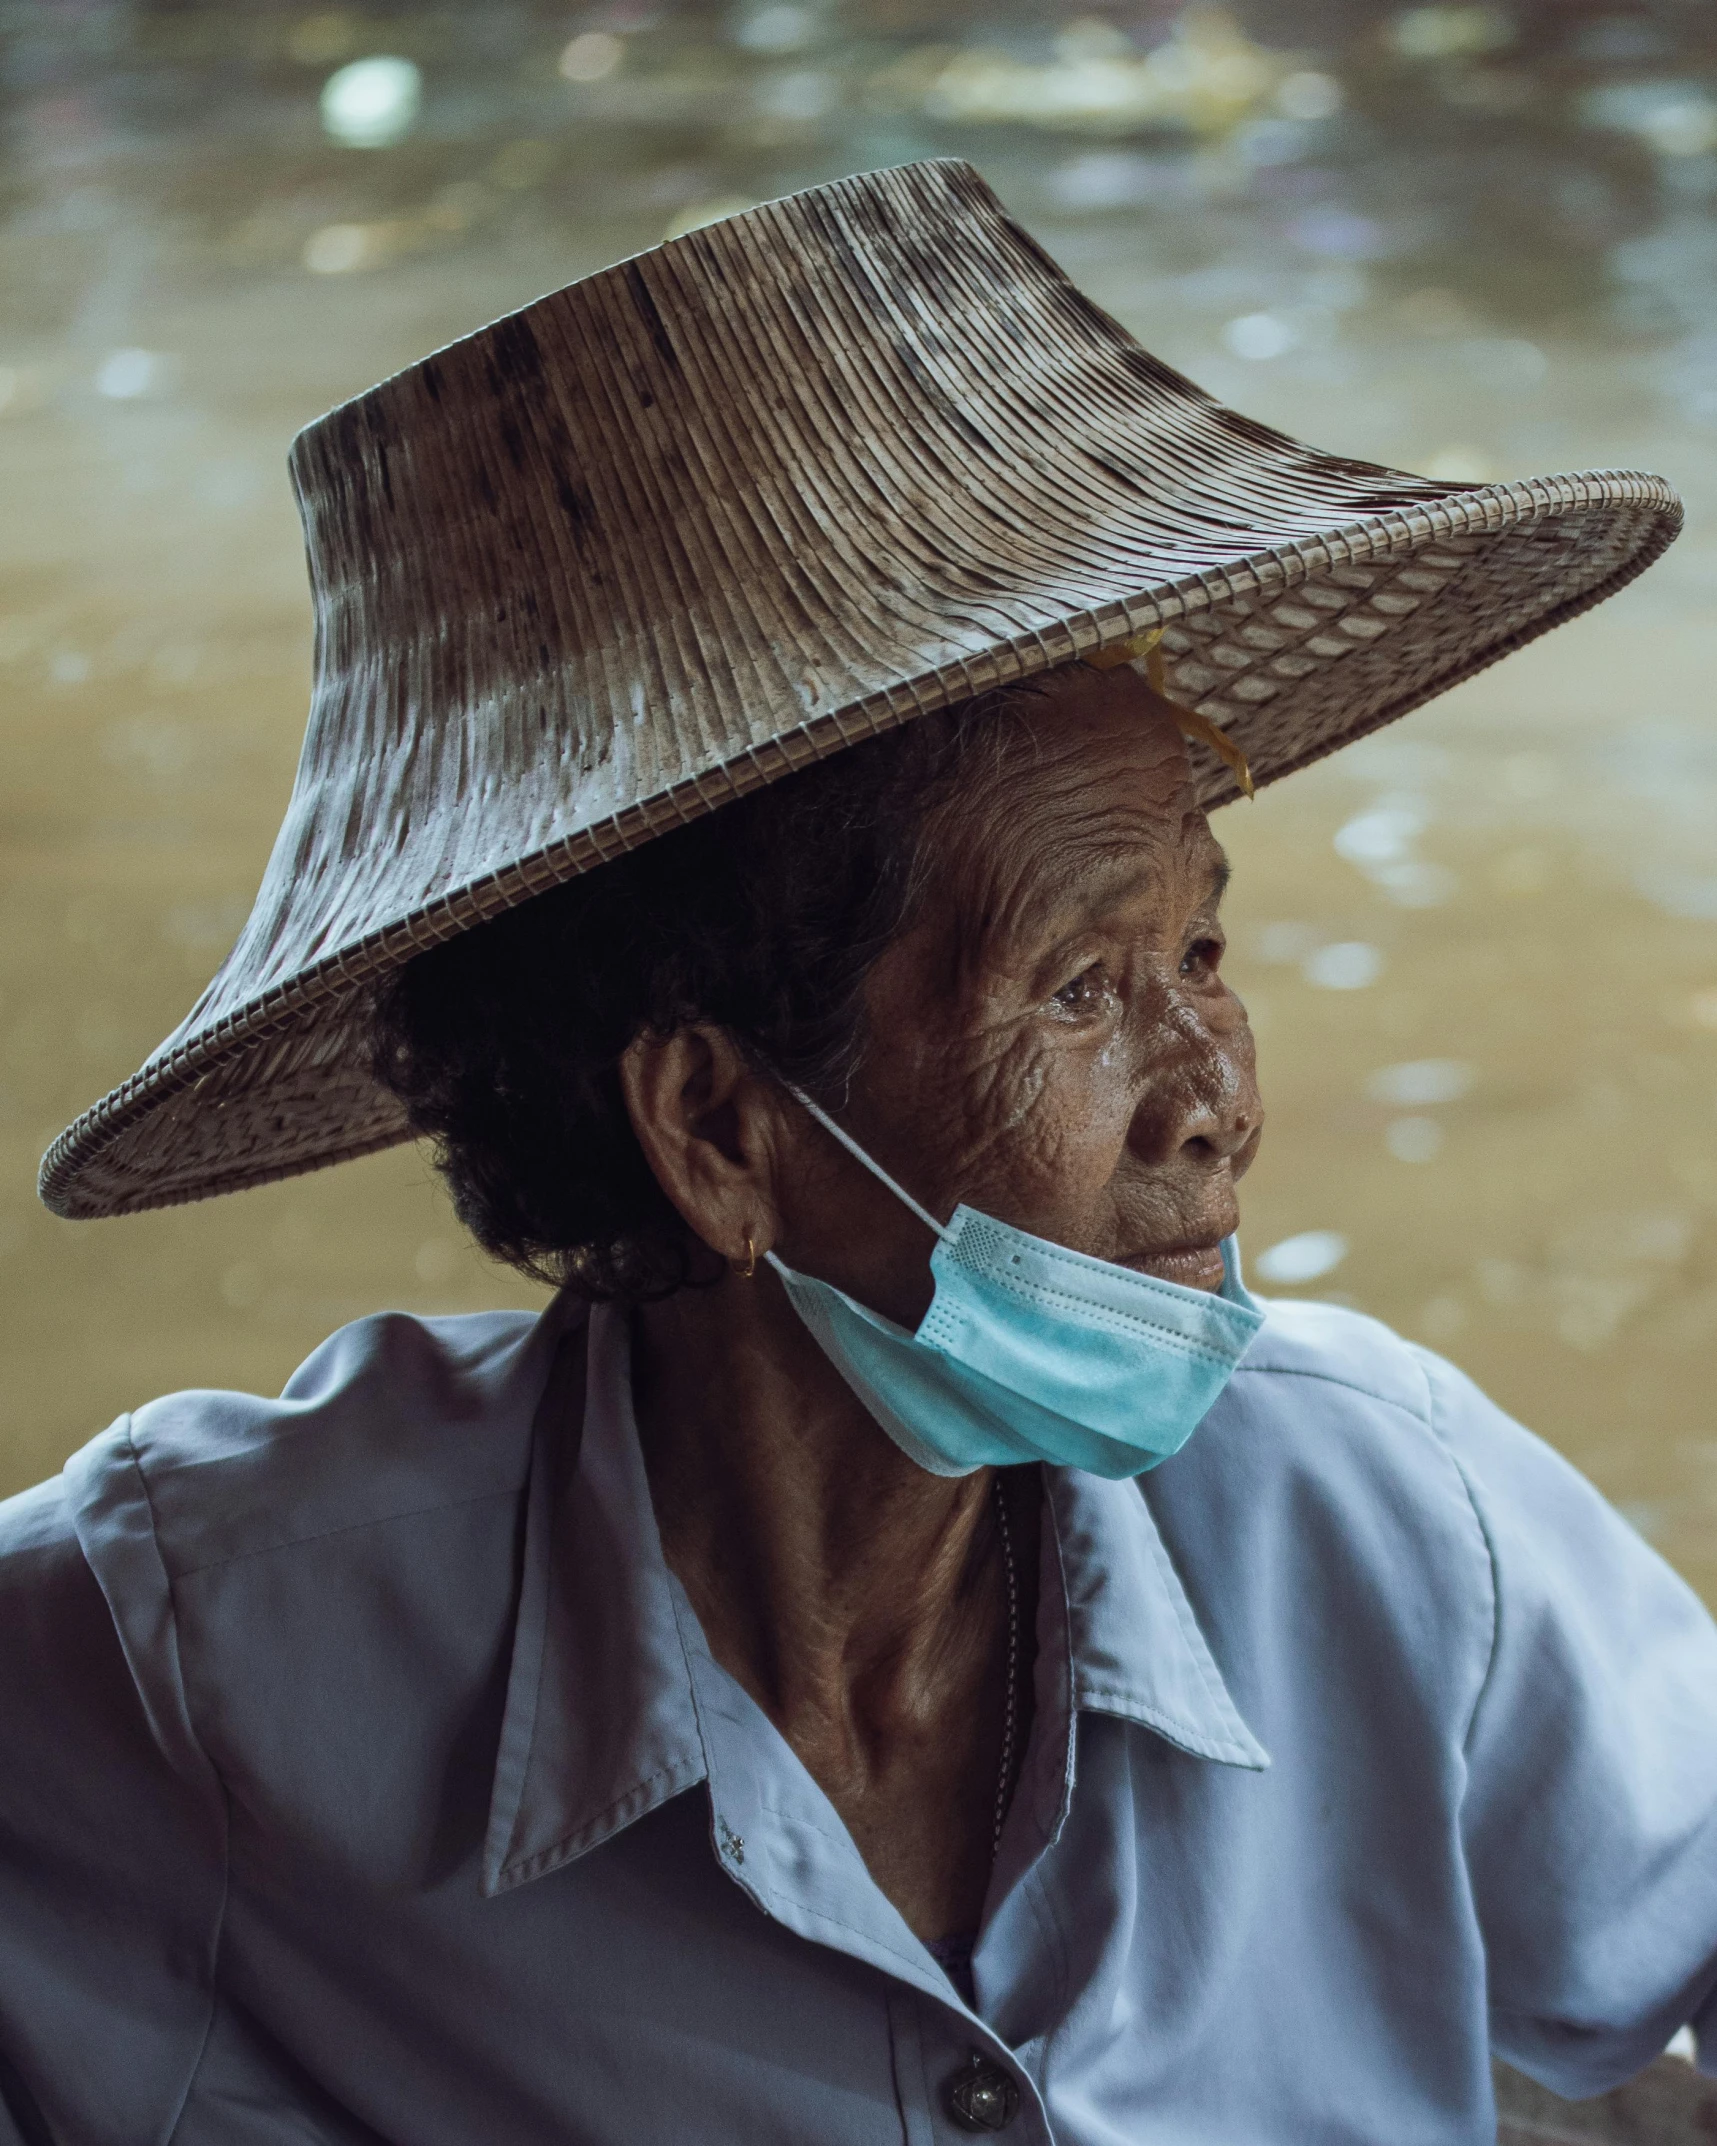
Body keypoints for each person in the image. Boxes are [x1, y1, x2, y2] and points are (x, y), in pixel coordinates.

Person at [3, 159, 1713, 2146]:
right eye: (1082, 987)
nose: (1214, 1093)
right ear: (719, 1122)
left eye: (1204, 950)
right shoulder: (213, 1644)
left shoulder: (1380, 1515)